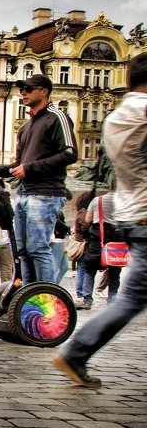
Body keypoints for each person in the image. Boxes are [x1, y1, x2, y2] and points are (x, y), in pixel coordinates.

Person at [53, 53, 147, 387]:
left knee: (133, 296)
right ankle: (76, 352)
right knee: (133, 297)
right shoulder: (144, 111)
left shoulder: (116, 115)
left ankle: (77, 353)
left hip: (130, 209)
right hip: (144, 212)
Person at [0, 73, 77, 284]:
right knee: (24, 250)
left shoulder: (57, 116)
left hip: (46, 193)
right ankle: (28, 295)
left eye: (28, 89)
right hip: (24, 193)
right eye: (22, 89)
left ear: (44, 91)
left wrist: (29, 169)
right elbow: (19, 165)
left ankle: (46, 297)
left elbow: (70, 153)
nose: (23, 93)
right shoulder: (26, 127)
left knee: (38, 248)